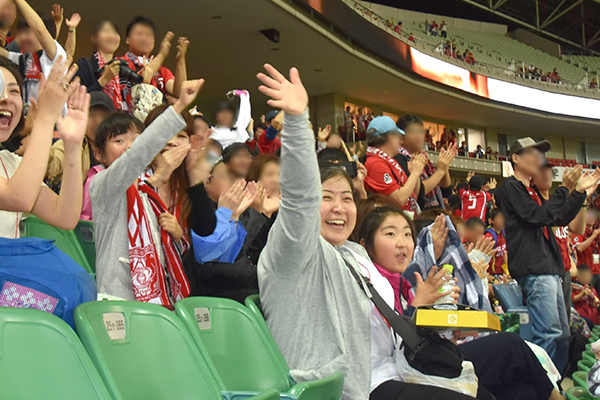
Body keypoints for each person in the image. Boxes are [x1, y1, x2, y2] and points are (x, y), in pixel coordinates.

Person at [256, 63, 563, 400]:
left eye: (347, 198)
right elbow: (300, 199)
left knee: (515, 372)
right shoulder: (292, 252)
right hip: (351, 388)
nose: (339, 207)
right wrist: (299, 121)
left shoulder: (355, 255)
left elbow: (387, 331)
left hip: (400, 364)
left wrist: (420, 310)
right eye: (326, 198)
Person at [358, 206, 564, 400]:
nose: (402, 243)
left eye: (407, 234)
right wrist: (419, 305)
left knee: (521, 391)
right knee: (511, 346)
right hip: (406, 371)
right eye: (390, 234)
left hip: (429, 359)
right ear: (365, 245)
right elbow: (397, 345)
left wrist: (450, 326)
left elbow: (424, 337)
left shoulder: (405, 282)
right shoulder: (370, 284)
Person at [90, 78, 203, 306]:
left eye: (137, 140)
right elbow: (135, 158)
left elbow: (169, 252)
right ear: (99, 154)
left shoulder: (148, 189)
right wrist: (179, 106)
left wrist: (178, 236)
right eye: (119, 140)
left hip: (160, 302)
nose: (130, 146)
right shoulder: (102, 183)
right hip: (117, 299)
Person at [495, 137, 599, 372]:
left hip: (549, 269)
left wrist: (579, 193)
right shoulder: (511, 187)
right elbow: (538, 217)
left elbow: (559, 218)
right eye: (532, 153)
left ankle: (555, 384)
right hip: (535, 269)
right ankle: (541, 385)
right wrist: (565, 189)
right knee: (548, 333)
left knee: (561, 334)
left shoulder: (530, 191)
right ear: (516, 158)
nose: (538, 158)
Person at [0, 55, 88, 239]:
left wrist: (72, 145)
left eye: (14, 91)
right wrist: (46, 117)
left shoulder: (12, 163)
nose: (6, 98)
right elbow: (19, 198)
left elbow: (64, 216)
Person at [533, 160, 588, 315]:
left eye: (549, 171)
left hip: (564, 269)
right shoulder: (534, 203)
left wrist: (582, 197)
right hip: (547, 272)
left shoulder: (556, 201)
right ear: (532, 177)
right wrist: (571, 189)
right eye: (541, 171)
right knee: (551, 322)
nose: (546, 174)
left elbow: (578, 228)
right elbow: (549, 223)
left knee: (564, 323)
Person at [0, 0, 66, 107]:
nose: (21, 38)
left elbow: (39, 29)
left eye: (27, 32)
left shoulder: (55, 56)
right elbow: (3, 53)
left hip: (53, 121)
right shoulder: (26, 59)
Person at [46, 91, 115, 195]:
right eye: (91, 115)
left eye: (104, 117)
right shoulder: (71, 144)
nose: (98, 121)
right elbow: (53, 164)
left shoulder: (117, 147)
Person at [116, 16, 184, 112]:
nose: (144, 38)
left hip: (155, 123)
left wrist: (181, 60)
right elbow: (142, 78)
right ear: (128, 40)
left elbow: (178, 92)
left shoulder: (162, 70)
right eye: (139, 34)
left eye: (148, 35)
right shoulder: (119, 62)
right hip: (127, 121)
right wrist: (161, 55)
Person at [364, 116, 425, 216]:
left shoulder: (389, 161)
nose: (400, 141)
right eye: (397, 136)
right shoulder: (376, 164)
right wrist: (415, 173)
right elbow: (399, 200)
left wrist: (414, 174)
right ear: (389, 137)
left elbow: (412, 196)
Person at [396, 114, 455, 211]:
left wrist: (445, 166)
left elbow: (446, 191)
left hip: (435, 216)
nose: (419, 135)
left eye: (421, 131)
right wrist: (440, 171)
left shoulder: (425, 160)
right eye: (414, 131)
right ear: (401, 138)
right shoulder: (399, 158)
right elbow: (418, 192)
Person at [74, 19, 121, 105]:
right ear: (94, 38)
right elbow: (77, 100)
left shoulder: (122, 67)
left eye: (115, 32)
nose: (111, 36)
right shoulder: (85, 65)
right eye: (106, 31)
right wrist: (104, 80)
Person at [484, 209, 507, 276]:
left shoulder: (504, 233)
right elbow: (484, 256)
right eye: (500, 218)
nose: (502, 221)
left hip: (501, 271)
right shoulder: (489, 236)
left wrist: (507, 270)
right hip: (491, 273)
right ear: (491, 220)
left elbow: (505, 253)